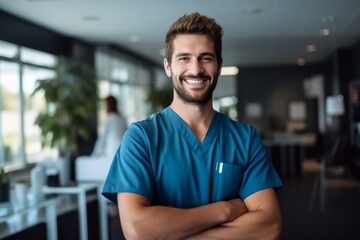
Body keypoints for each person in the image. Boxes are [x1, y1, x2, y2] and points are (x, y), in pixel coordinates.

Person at [102, 12, 283, 239]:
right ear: (168, 67)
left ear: (218, 66)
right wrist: (225, 210)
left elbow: (269, 226)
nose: (196, 69)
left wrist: (173, 234)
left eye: (206, 58)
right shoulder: (142, 137)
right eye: (184, 58)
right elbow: (138, 230)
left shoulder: (244, 138)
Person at [75, 95, 127, 181]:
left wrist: (93, 155)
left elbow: (101, 141)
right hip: (122, 155)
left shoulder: (109, 119)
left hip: (111, 157)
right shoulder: (122, 119)